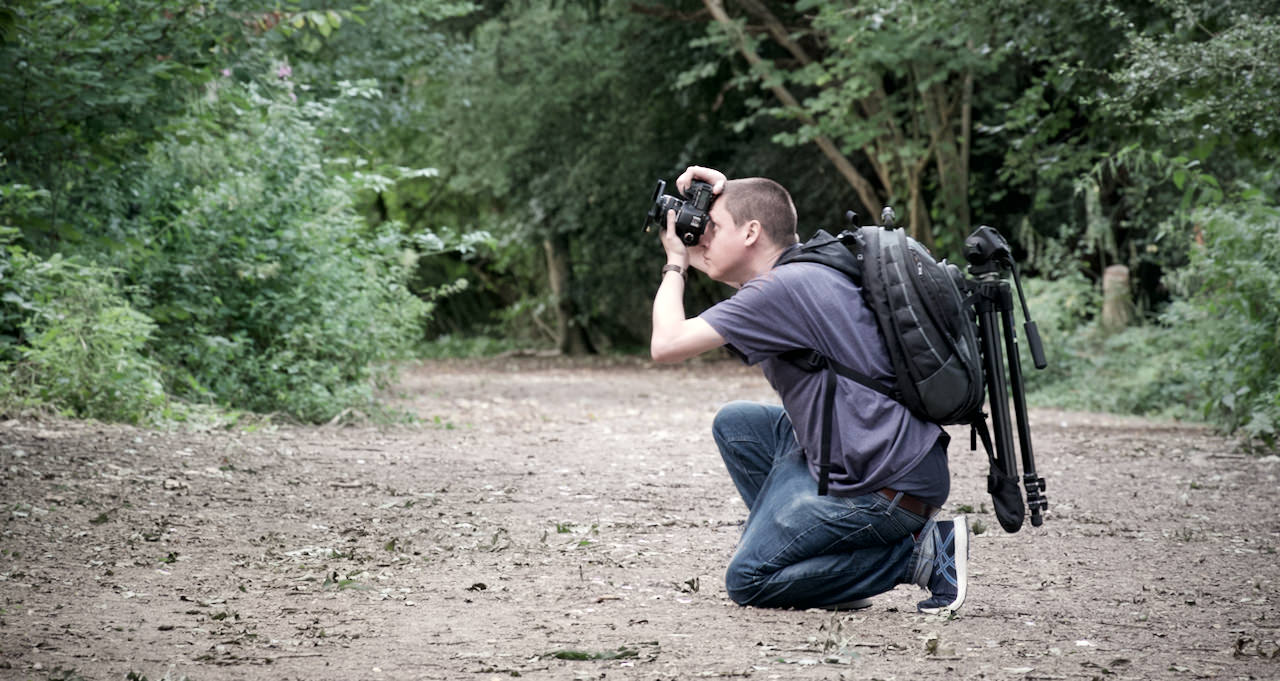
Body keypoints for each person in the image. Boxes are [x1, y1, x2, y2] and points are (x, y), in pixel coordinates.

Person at [649, 165, 968, 613]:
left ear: (751, 233)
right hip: (892, 461)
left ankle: (923, 554)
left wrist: (675, 262)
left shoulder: (777, 291)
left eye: (712, 227)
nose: (699, 236)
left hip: (885, 490)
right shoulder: (811, 264)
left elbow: (666, 344)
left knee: (749, 580)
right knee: (738, 425)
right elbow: (755, 226)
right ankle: (826, 574)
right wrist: (726, 199)